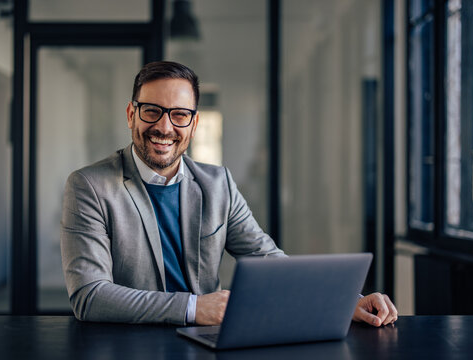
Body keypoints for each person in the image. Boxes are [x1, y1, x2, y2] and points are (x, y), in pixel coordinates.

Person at [60, 61, 398, 327]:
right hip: (126, 344)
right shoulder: (88, 186)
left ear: (193, 125)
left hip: (203, 342)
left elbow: (267, 259)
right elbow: (90, 296)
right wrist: (194, 307)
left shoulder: (217, 183)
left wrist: (346, 300)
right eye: (152, 111)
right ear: (132, 114)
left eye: (179, 115)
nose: (165, 127)